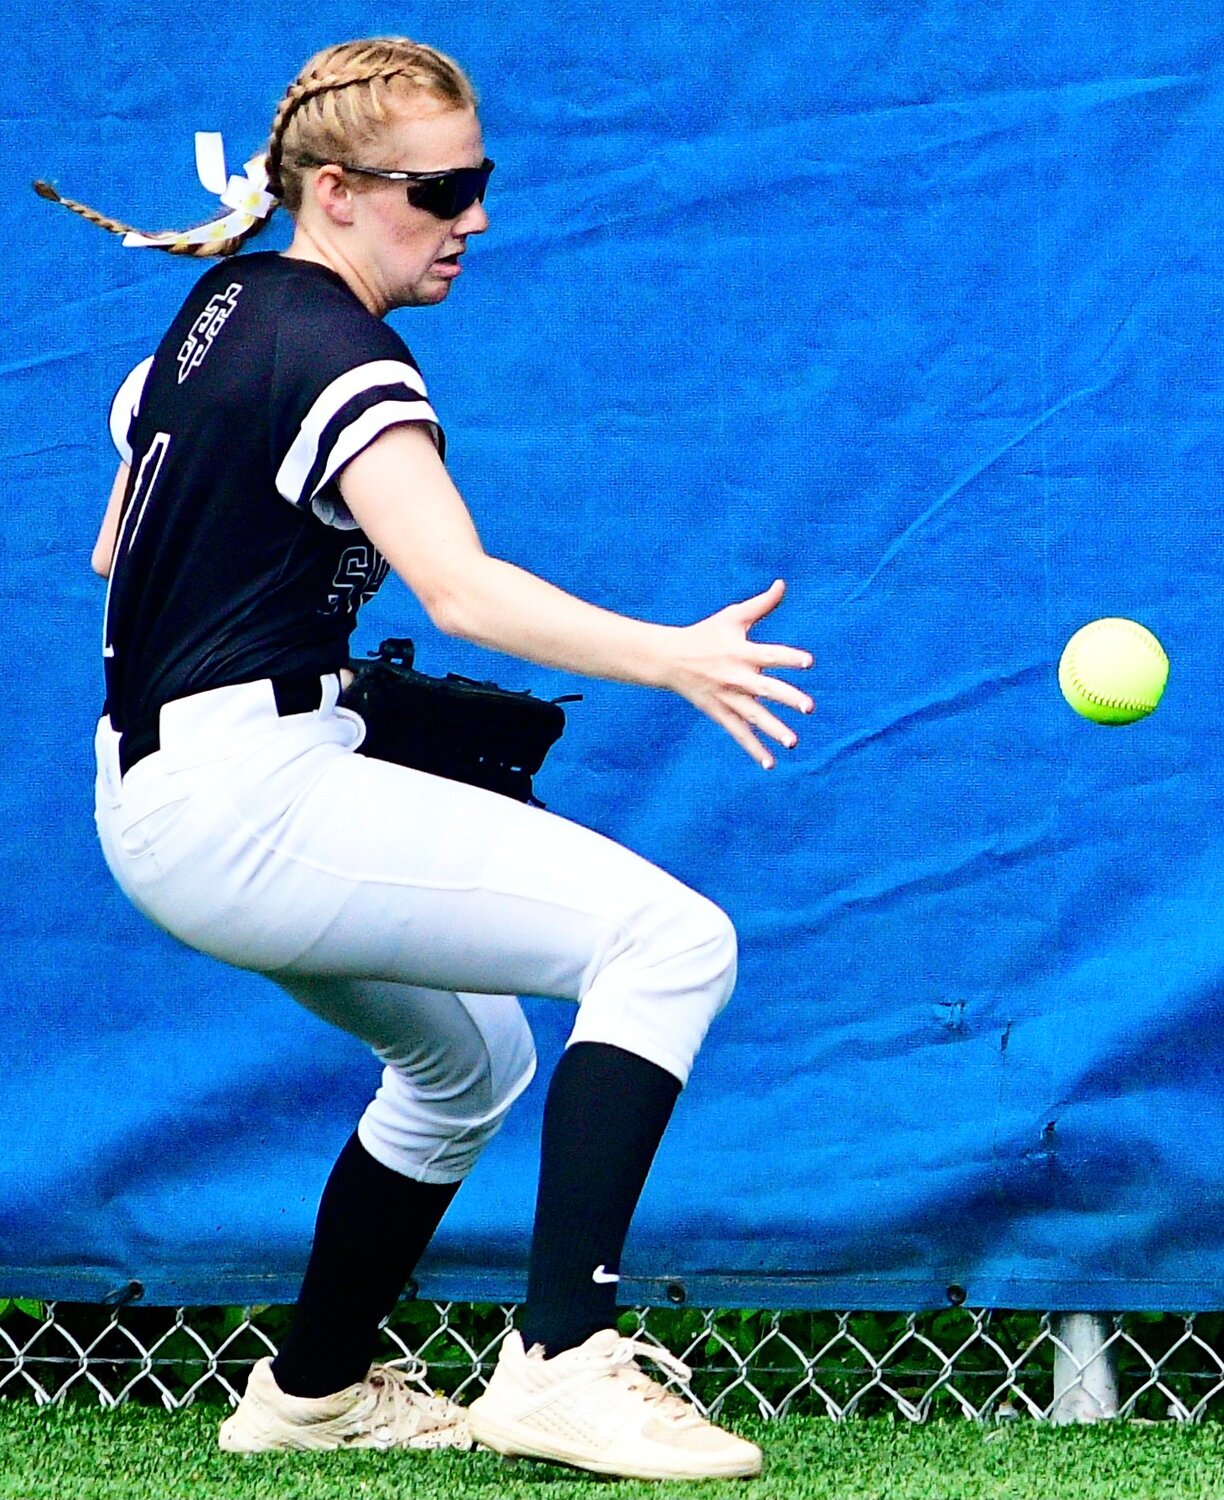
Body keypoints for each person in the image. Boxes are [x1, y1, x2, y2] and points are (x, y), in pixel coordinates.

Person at [49, 36, 812, 1480]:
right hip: (244, 803)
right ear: (333, 192)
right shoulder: (338, 349)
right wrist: (675, 655)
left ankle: (310, 1392)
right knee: (671, 941)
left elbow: (116, 536)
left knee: (465, 1062)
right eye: (441, 186)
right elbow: (459, 589)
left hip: (169, 792)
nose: (472, 216)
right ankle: (560, 1360)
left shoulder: (220, 311)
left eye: (482, 180)